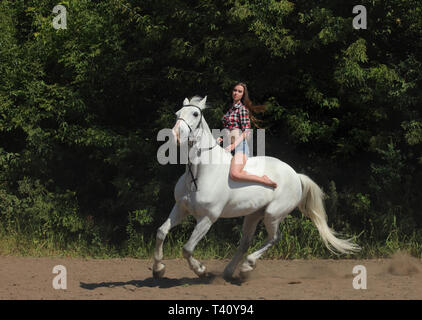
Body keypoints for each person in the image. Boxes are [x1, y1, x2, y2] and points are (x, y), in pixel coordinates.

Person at [217, 83, 277, 188]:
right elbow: (229, 129)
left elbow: (247, 131)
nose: (236, 93)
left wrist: (233, 145)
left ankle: (263, 179)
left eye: (239, 91)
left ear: (243, 95)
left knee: (234, 174)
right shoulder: (229, 109)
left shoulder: (242, 109)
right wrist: (221, 138)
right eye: (235, 90)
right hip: (227, 147)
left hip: (240, 148)